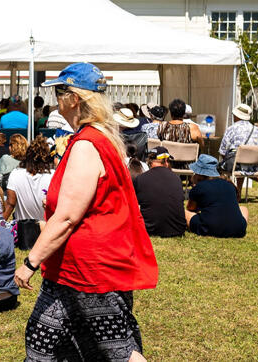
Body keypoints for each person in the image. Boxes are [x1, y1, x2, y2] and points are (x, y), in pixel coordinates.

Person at [15, 62, 157, 362]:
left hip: (91, 270)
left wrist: (30, 261)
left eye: (58, 92)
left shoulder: (87, 144)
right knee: (43, 343)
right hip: (70, 268)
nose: (55, 100)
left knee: (118, 350)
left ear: (73, 98)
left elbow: (67, 217)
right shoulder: (99, 139)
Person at [185, 154, 248, 238]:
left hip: (210, 229)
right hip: (238, 230)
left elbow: (191, 208)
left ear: (199, 174)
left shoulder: (199, 188)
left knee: (184, 213)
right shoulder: (230, 184)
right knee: (244, 209)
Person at [133, 147, 186, 237]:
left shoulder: (141, 179)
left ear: (149, 161)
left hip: (149, 229)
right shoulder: (176, 178)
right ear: (165, 160)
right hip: (177, 229)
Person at [5, 136, 54, 221]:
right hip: (47, 229)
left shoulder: (15, 173)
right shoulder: (53, 175)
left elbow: (10, 203)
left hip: (23, 230)